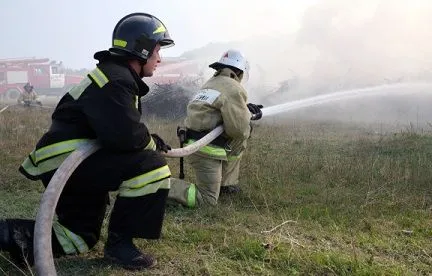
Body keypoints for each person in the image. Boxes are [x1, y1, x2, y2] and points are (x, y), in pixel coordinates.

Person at [0, 12, 174, 271]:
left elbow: (121, 128)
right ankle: (120, 246)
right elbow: (125, 137)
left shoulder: (115, 77)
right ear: (143, 48)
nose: (160, 58)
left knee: (79, 238)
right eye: (158, 49)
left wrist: (146, 140)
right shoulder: (115, 79)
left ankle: (9, 235)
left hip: (65, 159)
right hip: (67, 158)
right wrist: (150, 145)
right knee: (153, 167)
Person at [168, 49, 263, 208]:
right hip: (207, 149)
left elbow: (214, 112)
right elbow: (238, 131)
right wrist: (245, 118)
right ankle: (159, 186)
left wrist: (243, 110)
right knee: (207, 200)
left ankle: (226, 184)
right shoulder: (234, 87)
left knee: (239, 142)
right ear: (239, 72)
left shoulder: (210, 84)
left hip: (193, 143)